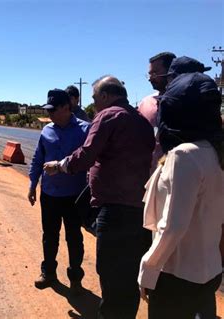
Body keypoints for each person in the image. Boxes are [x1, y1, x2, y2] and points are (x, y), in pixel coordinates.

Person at [44, 76, 155, 319]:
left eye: (94, 98)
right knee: (128, 273)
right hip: (141, 210)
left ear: (105, 96)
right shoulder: (142, 122)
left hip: (114, 210)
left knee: (110, 272)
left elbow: (86, 154)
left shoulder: (108, 116)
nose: (93, 104)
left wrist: (60, 165)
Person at [138, 68, 223, 319]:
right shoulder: (214, 151)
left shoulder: (184, 155)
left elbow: (173, 226)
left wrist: (148, 269)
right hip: (208, 271)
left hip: (177, 276)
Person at [28, 89, 90, 292]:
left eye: (53, 110)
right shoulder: (46, 131)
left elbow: (91, 161)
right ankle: (49, 273)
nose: (49, 114)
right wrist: (32, 184)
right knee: (49, 235)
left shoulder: (85, 130)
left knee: (74, 237)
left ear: (66, 107)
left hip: (74, 196)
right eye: (48, 110)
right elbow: (38, 159)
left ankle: (75, 278)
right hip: (50, 194)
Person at [138, 52, 176, 171]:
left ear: (170, 71)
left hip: (178, 174)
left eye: (155, 73)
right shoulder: (145, 103)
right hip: (147, 176)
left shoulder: (186, 104)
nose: (150, 78)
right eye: (149, 74)